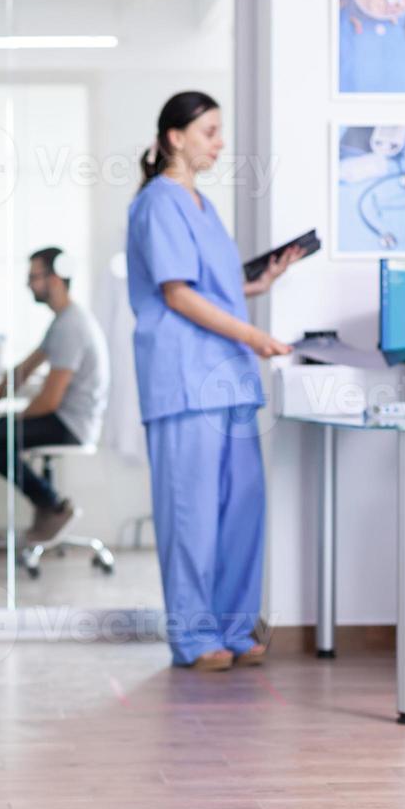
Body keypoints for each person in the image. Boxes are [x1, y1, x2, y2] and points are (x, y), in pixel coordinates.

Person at [125, 91, 306, 672]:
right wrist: (255, 337)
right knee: (192, 512)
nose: (219, 142)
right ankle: (196, 636)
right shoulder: (159, 202)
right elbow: (177, 294)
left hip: (228, 378)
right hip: (184, 378)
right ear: (175, 137)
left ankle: (232, 625)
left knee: (241, 508)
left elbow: (210, 285)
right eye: (209, 131)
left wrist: (259, 282)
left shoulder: (204, 204)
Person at [0, 247, 110, 544]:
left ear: (55, 279)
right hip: (61, 419)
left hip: (70, 426)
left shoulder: (72, 326)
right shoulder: (62, 321)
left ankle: (52, 505)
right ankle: (49, 504)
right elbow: (22, 372)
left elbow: (48, 402)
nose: (28, 284)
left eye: (34, 276)